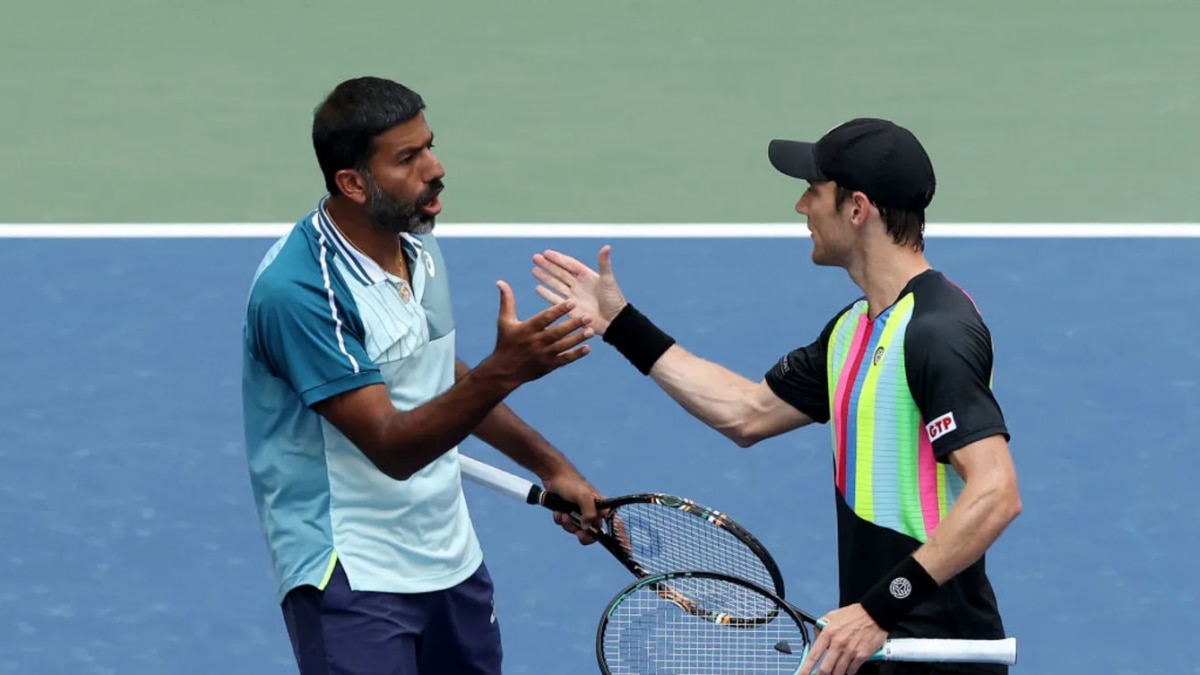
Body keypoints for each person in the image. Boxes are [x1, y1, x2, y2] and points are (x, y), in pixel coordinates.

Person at [531, 118, 1023, 675]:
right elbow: (745, 413)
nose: (800, 206)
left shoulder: (936, 331)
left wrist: (876, 610)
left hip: (935, 655)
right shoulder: (855, 330)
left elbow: (997, 492)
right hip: (871, 648)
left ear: (857, 208)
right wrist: (620, 324)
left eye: (814, 192)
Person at [240, 75, 603, 675]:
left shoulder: (417, 243)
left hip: (449, 557)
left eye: (430, 146)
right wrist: (504, 371)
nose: (435, 168)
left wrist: (551, 465)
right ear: (353, 183)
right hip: (350, 575)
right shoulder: (301, 292)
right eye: (408, 158)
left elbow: (436, 375)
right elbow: (392, 447)